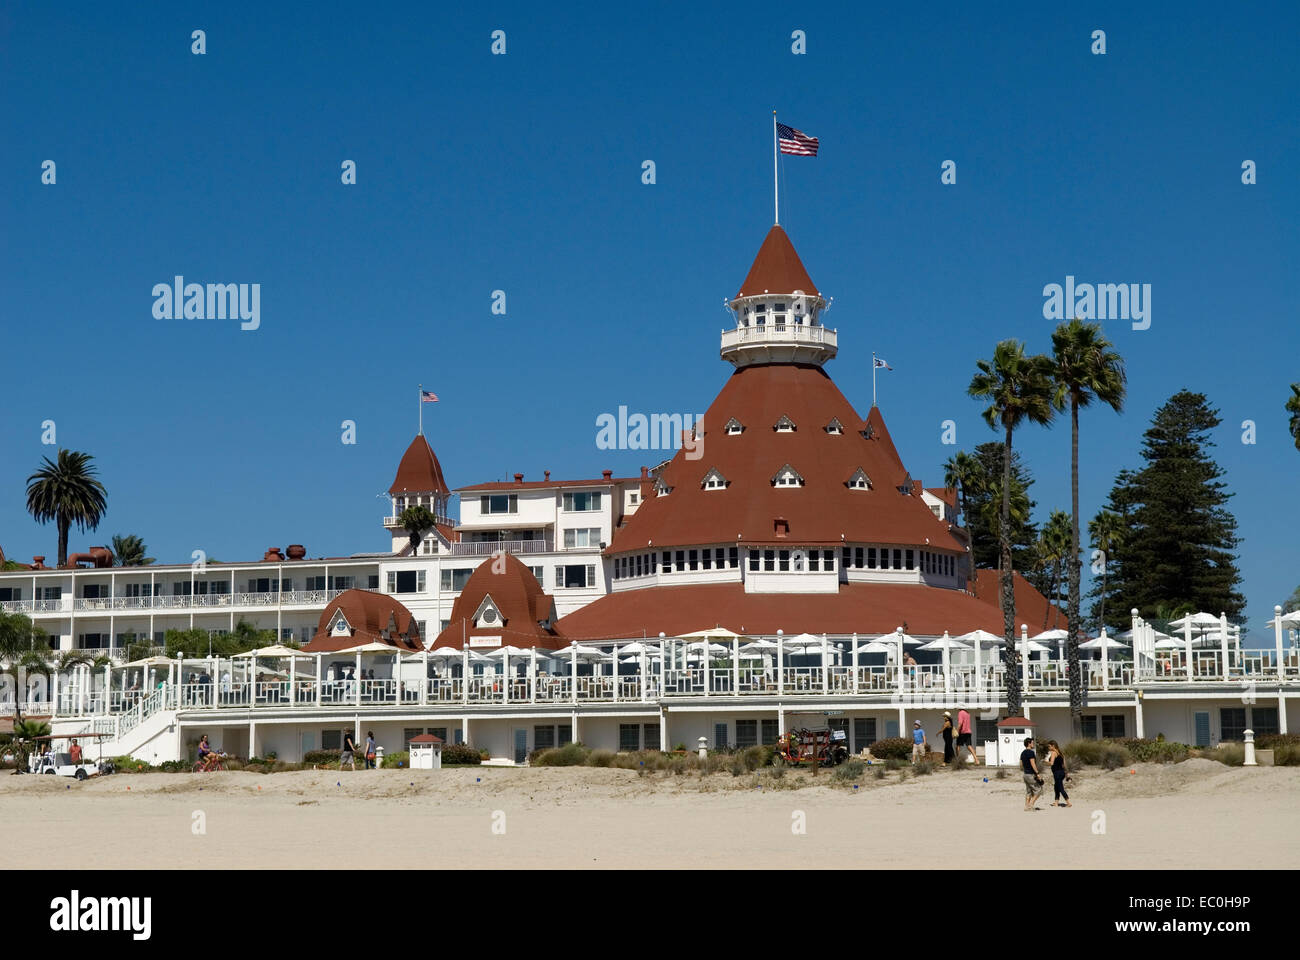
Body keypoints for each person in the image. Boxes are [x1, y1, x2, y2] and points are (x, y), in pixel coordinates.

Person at [1046, 740, 1072, 807]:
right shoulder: (1061, 753)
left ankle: (1068, 803)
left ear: (1053, 746)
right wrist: (1066, 775)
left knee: (1060, 788)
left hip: (1057, 773)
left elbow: (1051, 763)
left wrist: (1045, 761)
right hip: (1062, 773)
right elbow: (1064, 766)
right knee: (1056, 787)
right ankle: (1056, 802)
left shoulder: (1054, 753)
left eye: (1049, 746)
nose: (1048, 748)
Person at [1020, 737, 1044, 811]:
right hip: (1030, 774)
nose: (1033, 744)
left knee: (1029, 791)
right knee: (1039, 790)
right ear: (1029, 743)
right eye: (1032, 743)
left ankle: (1026, 807)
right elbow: (1033, 764)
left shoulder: (1023, 752)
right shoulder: (1031, 752)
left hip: (1025, 774)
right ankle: (1031, 805)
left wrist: (1025, 769)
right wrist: (1037, 774)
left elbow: (1021, 764)